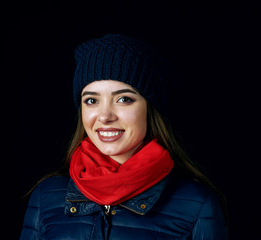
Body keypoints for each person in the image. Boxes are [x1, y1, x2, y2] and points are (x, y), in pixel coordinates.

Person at [19, 34, 228, 239]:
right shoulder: (46, 196)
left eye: (124, 99)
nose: (105, 116)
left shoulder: (197, 204)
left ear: (149, 108)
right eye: (92, 101)